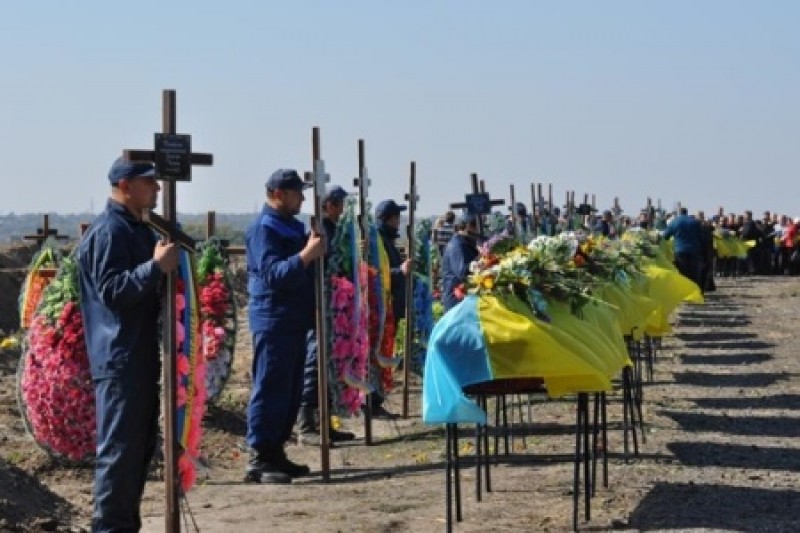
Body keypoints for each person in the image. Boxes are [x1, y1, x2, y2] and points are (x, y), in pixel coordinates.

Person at [78, 157, 179, 532]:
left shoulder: (139, 229)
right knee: (119, 451)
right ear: (125, 186)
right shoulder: (110, 231)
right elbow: (112, 292)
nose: (158, 188)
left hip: (139, 354)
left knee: (138, 450)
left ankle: (123, 525)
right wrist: (154, 267)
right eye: (149, 182)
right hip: (119, 357)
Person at [244, 168, 325, 484]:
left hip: (294, 319)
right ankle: (260, 456)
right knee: (271, 387)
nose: (302, 198)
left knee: (290, 391)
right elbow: (274, 274)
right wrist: (306, 254)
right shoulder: (264, 229)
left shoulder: (291, 226)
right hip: (273, 318)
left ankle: (276, 450)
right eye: (296, 193)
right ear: (278, 194)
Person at [297, 185, 357, 446]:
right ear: (329, 205)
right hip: (320, 306)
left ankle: (326, 422)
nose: (342, 209)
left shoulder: (335, 231)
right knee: (315, 363)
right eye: (340, 204)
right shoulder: (319, 231)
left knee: (331, 364)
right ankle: (306, 425)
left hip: (335, 308)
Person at [371, 199, 412, 418]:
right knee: (378, 353)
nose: (399, 221)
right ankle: (372, 401)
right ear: (390, 219)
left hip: (391, 306)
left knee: (385, 351)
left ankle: (377, 399)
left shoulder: (387, 238)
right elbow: (376, 272)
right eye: (397, 217)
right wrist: (400, 271)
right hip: (382, 307)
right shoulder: (377, 240)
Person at [441, 213, 481, 312]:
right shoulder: (457, 245)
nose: (476, 229)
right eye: (474, 225)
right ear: (465, 226)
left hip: (463, 299)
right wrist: (481, 260)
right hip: (456, 301)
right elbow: (462, 272)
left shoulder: (466, 243)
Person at [662, 207, 704, 288]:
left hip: (680, 249)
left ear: (679, 213)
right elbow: (701, 236)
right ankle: (694, 289)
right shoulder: (695, 222)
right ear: (686, 212)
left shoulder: (674, 222)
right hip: (694, 249)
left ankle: (685, 290)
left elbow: (665, 236)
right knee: (694, 272)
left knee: (682, 272)